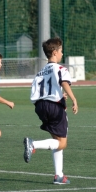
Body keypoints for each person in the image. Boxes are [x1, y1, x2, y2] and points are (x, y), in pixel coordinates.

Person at [23, 37, 78, 184]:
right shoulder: (60, 68)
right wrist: (73, 98)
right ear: (54, 52)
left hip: (40, 107)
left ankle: (58, 175)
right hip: (54, 107)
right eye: (60, 51)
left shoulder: (40, 72)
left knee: (56, 140)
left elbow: (46, 89)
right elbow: (64, 82)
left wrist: (60, 94)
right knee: (62, 143)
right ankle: (33, 144)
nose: (62, 53)